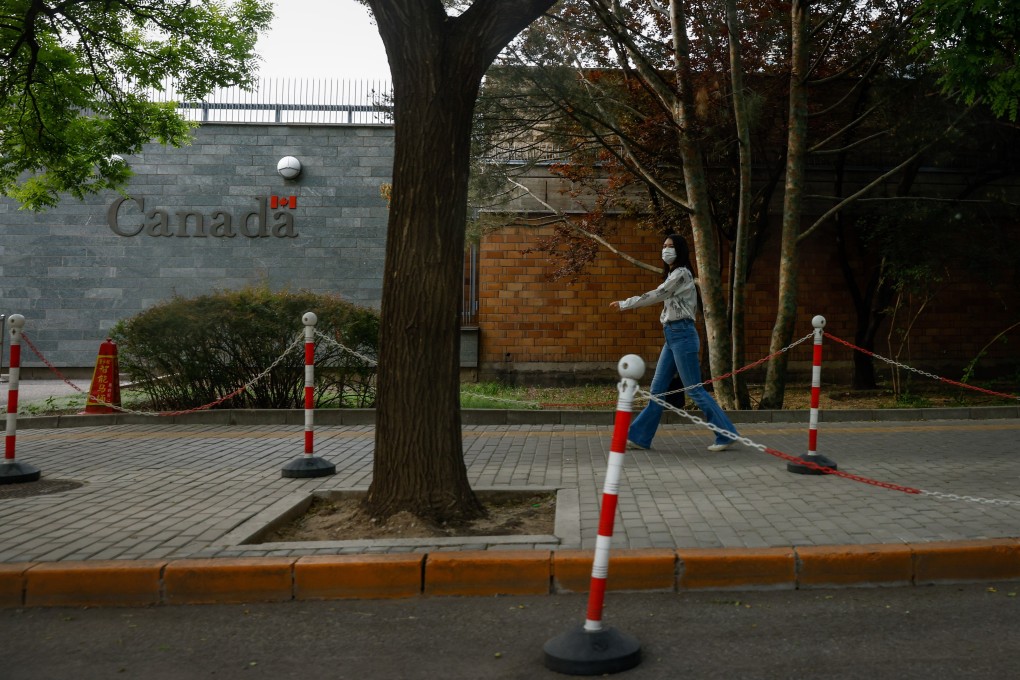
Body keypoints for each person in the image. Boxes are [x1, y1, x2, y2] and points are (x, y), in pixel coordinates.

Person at [610, 234, 739, 451]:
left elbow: (659, 294)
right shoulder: (673, 274)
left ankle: (726, 434)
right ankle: (640, 437)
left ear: (680, 250)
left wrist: (626, 304)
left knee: (695, 389)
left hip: (683, 335)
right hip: (672, 336)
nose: (666, 250)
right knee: (657, 391)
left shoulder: (681, 274)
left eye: (670, 246)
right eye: (664, 246)